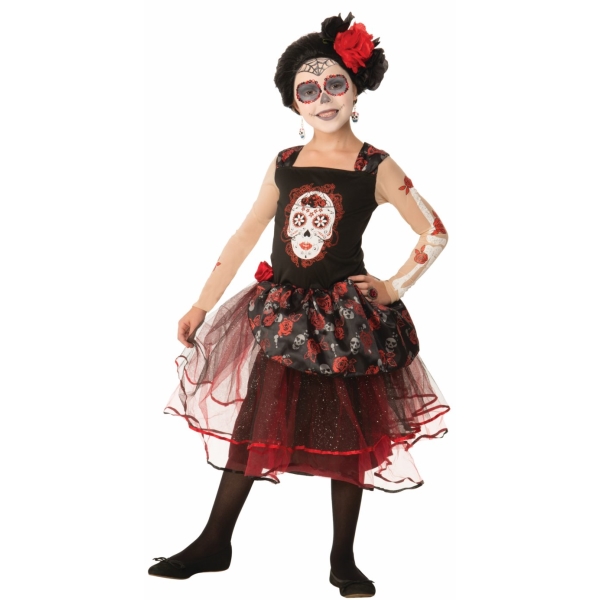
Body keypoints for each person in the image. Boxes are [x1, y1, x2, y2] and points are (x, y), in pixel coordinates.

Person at [148, 13, 450, 598]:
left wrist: (393, 286)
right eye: (307, 90)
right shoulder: (285, 163)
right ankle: (214, 542)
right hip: (283, 317)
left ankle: (342, 558)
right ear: (292, 102)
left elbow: (434, 231)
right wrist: (202, 304)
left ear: (356, 89)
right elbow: (245, 235)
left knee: (351, 436)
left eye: (335, 84)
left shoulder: (374, 166)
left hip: (345, 322)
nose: (323, 98)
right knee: (253, 424)